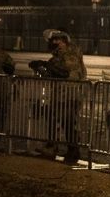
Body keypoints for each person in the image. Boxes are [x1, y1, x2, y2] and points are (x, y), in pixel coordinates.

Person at [29, 29, 88, 164]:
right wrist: (41, 66)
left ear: (64, 41)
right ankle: (52, 146)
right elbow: (54, 73)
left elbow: (65, 72)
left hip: (70, 94)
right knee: (52, 118)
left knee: (68, 123)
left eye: (58, 40)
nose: (55, 43)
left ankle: (73, 152)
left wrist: (47, 65)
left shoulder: (71, 53)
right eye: (53, 40)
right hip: (59, 94)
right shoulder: (57, 56)